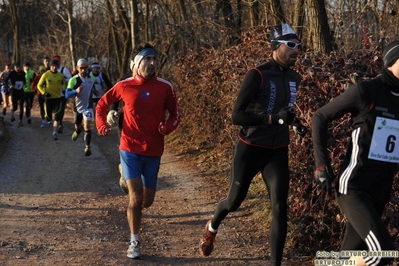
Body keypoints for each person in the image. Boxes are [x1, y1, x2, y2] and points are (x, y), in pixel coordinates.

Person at [199, 24, 303, 266]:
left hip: (277, 151)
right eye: (291, 45)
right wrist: (272, 119)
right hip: (251, 148)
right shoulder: (257, 74)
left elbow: (284, 112)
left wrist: (295, 124)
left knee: (279, 207)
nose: (296, 50)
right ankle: (212, 226)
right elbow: (237, 116)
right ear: (276, 47)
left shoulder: (294, 77)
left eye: (299, 45)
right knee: (234, 202)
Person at [312, 41, 399, 266]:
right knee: (383, 253)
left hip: (380, 191)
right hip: (354, 188)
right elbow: (320, 116)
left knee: (344, 257)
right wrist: (322, 165)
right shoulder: (367, 90)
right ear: (392, 61)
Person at [96, 42, 180, 259]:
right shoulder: (124, 86)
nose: (152, 63)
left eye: (154, 59)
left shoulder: (165, 87)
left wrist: (167, 127)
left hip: (153, 150)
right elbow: (102, 105)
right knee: (135, 199)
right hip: (129, 148)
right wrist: (102, 124)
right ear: (135, 64)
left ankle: (124, 175)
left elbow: (175, 114)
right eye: (147, 59)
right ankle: (134, 242)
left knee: (147, 201)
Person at [65, 58, 98, 156]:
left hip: (88, 106)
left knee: (87, 125)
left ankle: (87, 147)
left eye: (85, 68)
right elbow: (67, 94)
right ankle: (78, 130)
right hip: (78, 107)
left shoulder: (91, 78)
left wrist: (94, 91)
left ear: (88, 68)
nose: (83, 70)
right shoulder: (73, 80)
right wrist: (76, 91)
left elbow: (92, 86)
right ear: (77, 68)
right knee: (78, 125)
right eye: (81, 68)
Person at [37, 59, 65, 140]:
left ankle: (54, 132)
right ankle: (47, 119)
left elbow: (64, 84)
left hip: (57, 98)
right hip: (48, 98)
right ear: (50, 66)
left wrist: (63, 90)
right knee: (49, 117)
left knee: (57, 116)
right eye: (53, 66)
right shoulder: (45, 75)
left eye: (56, 66)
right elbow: (39, 85)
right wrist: (43, 92)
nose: (54, 67)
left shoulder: (60, 75)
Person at [53, 55, 71, 134]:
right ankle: (57, 121)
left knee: (61, 109)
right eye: (55, 61)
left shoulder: (64, 70)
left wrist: (63, 79)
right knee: (55, 109)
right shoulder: (51, 70)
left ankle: (60, 123)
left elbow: (70, 79)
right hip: (54, 93)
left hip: (63, 93)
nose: (56, 63)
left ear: (60, 62)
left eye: (57, 61)